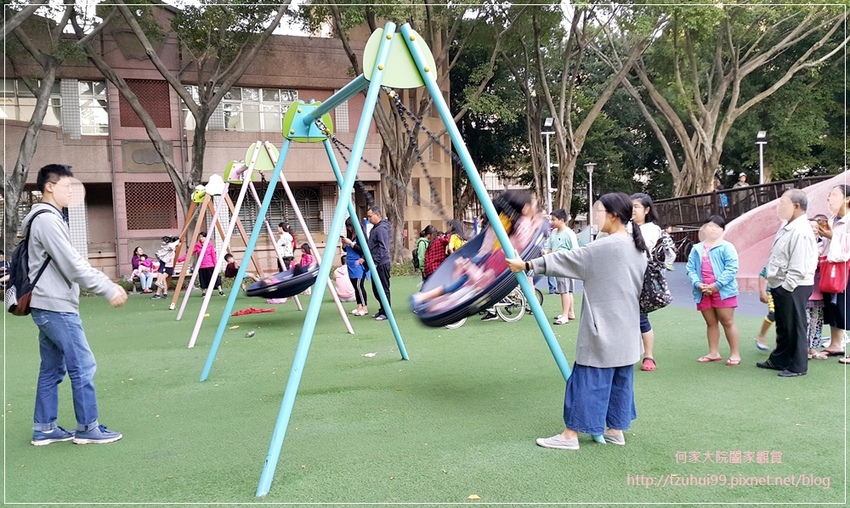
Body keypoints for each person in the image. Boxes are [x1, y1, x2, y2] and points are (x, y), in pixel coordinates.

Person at [506, 193, 647, 450]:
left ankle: (570, 435)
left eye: (598, 211)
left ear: (613, 215)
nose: (595, 217)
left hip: (603, 326)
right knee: (620, 380)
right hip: (627, 327)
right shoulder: (636, 245)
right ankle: (615, 430)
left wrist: (526, 265)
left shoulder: (603, 247)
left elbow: (565, 260)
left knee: (586, 379)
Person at [27, 164, 127, 445]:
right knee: (83, 365)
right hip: (56, 305)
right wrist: (107, 287)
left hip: (46, 303)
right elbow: (72, 264)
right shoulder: (47, 220)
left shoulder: (46, 218)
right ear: (50, 187)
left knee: (51, 368)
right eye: (67, 186)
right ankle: (87, 427)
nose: (72, 192)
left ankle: (45, 428)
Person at [758, 189, 817, 377]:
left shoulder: (801, 231)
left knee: (795, 326)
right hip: (781, 284)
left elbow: (800, 265)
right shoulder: (787, 226)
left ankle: (798, 366)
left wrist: (786, 287)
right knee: (783, 325)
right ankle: (779, 359)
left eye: (782, 203)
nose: (779, 207)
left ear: (796, 206)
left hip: (793, 285)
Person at [686, 216, 741, 366]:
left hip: (723, 290)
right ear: (704, 229)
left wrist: (717, 285)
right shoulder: (697, 248)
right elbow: (690, 269)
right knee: (710, 322)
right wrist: (698, 284)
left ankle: (735, 353)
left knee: (727, 321)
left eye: (718, 227)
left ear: (722, 230)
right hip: (702, 291)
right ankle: (713, 352)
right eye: (710, 226)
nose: (713, 229)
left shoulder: (727, 247)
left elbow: (732, 269)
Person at [817, 185, 850, 361]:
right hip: (832, 268)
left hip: (847, 268)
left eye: (835, 195)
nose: (830, 198)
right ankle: (835, 344)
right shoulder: (830, 220)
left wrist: (832, 236)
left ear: (847, 199)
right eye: (830, 195)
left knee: (847, 304)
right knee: (834, 304)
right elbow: (824, 245)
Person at [631, 193, 663, 372]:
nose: (633, 210)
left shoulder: (651, 229)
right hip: (624, 278)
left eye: (636, 206)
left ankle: (649, 356)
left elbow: (640, 247)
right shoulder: (626, 226)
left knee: (641, 319)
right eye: (631, 206)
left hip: (641, 280)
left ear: (647, 210)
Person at [546, 209, 578, 325]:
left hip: (565, 265)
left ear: (562, 220)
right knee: (567, 290)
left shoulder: (569, 233)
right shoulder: (554, 233)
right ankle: (570, 313)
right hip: (557, 265)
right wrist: (547, 253)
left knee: (564, 291)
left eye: (554, 220)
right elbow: (550, 248)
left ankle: (564, 316)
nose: (552, 222)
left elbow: (575, 251)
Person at [807, 215, 828, 361]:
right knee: (805, 322)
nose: (814, 230)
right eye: (811, 227)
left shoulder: (824, 244)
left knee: (817, 322)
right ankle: (802, 350)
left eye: (816, 227)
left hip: (819, 291)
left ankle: (813, 349)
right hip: (804, 290)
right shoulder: (803, 245)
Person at [366, 206, 391, 321]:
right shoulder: (375, 228)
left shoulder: (381, 229)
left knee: (383, 288)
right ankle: (382, 309)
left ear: (377, 215)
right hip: (375, 263)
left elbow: (383, 247)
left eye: (370, 216)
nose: (369, 219)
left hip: (382, 263)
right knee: (376, 289)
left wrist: (376, 261)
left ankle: (386, 312)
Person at [340, 218, 368, 316]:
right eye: (348, 227)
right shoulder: (350, 236)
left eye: (350, 226)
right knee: (355, 286)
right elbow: (346, 250)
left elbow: (363, 250)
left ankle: (365, 307)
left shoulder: (360, 236)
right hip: (350, 264)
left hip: (358, 264)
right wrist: (344, 244)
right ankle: (359, 306)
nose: (349, 228)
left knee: (359, 286)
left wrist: (351, 243)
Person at [187, 232, 224, 297]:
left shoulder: (210, 245)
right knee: (203, 279)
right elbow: (190, 253)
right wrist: (182, 259)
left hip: (210, 265)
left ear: (206, 237)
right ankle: (203, 292)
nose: (201, 238)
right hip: (202, 266)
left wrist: (216, 265)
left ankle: (220, 291)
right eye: (200, 237)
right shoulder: (197, 246)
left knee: (215, 278)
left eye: (202, 237)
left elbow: (213, 256)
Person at [754, 266, 775, 351]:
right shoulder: (774, 260)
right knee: (773, 314)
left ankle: (779, 345)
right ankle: (761, 336)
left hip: (787, 292)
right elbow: (762, 274)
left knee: (783, 318)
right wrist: (762, 292)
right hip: (772, 291)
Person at [152, 235, 179, 300]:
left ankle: (161, 293)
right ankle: (161, 293)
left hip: (167, 267)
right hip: (165, 265)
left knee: (162, 279)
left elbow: (173, 245)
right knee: (162, 278)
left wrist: (178, 240)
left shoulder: (171, 248)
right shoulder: (168, 248)